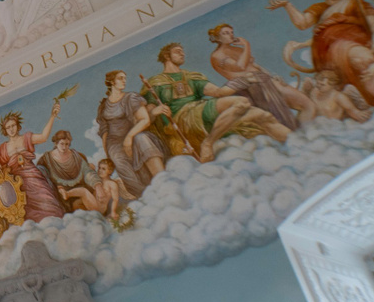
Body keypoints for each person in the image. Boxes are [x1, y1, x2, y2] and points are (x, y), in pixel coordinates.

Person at [141, 43, 288, 160]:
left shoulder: (191, 77)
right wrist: (155, 112)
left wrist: (245, 80)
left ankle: (295, 146)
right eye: (178, 51)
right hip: (184, 119)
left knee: (263, 116)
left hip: (202, 112)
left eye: (183, 51)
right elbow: (148, 116)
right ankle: (208, 143)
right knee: (242, 102)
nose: (182, 54)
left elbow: (219, 92)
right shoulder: (155, 83)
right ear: (167, 56)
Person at [267, 0, 374, 105]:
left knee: (365, 61)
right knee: (360, 61)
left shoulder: (355, 2)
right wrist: (288, 5)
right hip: (328, 50)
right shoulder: (319, 8)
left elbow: (373, 21)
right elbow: (302, 23)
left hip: (357, 42)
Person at [206, 24, 312, 129]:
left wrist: (272, 76)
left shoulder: (237, 49)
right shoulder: (217, 55)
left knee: (307, 105)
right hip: (253, 86)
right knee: (300, 108)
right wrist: (246, 45)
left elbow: (255, 66)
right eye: (225, 33)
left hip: (265, 79)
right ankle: (301, 133)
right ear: (218, 38)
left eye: (231, 32)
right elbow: (240, 66)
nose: (231, 35)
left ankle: (304, 131)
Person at [95, 69, 166, 196]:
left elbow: (145, 120)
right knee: (118, 159)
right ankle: (146, 195)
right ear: (112, 82)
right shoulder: (104, 106)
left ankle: (164, 183)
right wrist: (108, 153)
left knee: (142, 139)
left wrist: (129, 137)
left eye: (125, 78)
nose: (124, 81)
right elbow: (104, 132)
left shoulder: (130, 97)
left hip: (134, 134)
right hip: (114, 143)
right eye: (120, 78)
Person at [0, 103, 66, 221]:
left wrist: (52, 116)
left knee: (47, 200)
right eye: (8, 127)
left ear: (18, 126)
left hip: (33, 176)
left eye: (13, 125)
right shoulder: (3, 148)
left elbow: (43, 137)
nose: (11, 129)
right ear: (5, 130)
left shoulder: (26, 138)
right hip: (18, 184)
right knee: (28, 212)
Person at [38, 131, 101, 213]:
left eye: (67, 144)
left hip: (80, 188)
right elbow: (42, 177)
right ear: (56, 143)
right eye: (62, 144)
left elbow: (87, 172)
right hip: (61, 195)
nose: (64, 147)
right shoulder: (46, 159)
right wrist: (59, 188)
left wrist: (97, 184)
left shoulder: (76, 156)